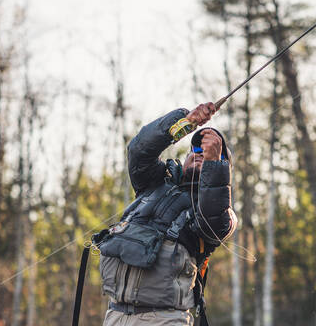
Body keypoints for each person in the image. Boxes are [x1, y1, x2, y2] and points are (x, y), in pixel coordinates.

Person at [96, 102, 237, 326]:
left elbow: (212, 218)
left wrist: (214, 165)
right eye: (197, 151)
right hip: (115, 314)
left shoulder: (221, 214)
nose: (201, 155)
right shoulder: (153, 182)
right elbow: (139, 151)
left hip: (164, 319)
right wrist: (184, 121)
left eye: (211, 154)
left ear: (223, 168)